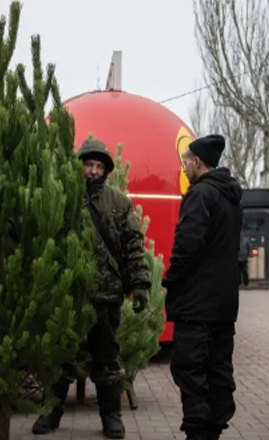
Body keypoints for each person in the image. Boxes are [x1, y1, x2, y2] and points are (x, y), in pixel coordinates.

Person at [32, 135, 150, 439]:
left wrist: (139, 284)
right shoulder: (62, 197)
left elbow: (132, 246)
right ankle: (50, 413)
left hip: (106, 292)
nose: (93, 171)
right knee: (59, 355)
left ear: (106, 170)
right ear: (79, 166)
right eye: (88, 164)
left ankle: (111, 417)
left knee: (107, 357)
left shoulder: (119, 202)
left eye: (99, 166)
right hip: (66, 293)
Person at [162, 134, 243, 440]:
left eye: (185, 161)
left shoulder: (200, 195)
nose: (183, 167)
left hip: (196, 306)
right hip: (224, 306)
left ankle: (198, 435)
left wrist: (170, 279)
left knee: (191, 372)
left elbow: (187, 245)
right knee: (219, 371)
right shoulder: (231, 196)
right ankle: (214, 431)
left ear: (197, 161)